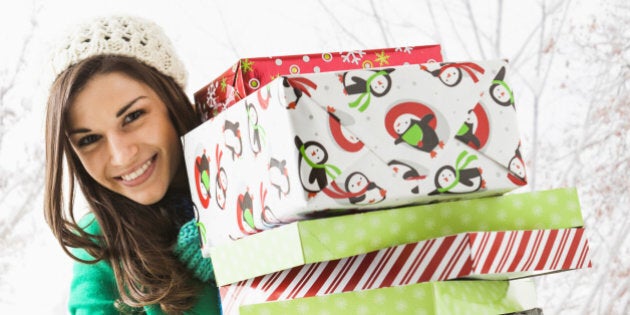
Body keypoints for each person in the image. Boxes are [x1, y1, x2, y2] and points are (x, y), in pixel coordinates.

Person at [43, 15, 221, 314]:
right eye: (89, 139)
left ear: (170, 99)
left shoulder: (255, 163)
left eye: (133, 116)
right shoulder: (99, 250)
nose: (122, 155)